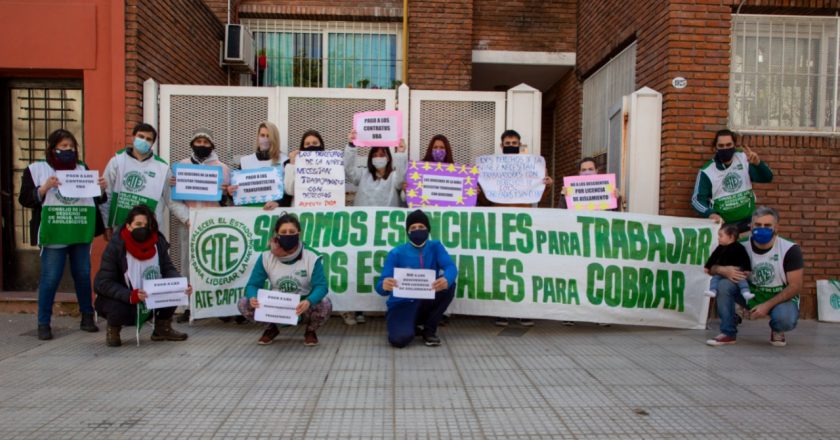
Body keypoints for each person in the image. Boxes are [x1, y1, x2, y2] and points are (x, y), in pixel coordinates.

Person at [19, 128, 107, 340]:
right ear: (52, 149)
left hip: (78, 230)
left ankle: (87, 316)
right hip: (54, 232)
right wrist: (44, 188)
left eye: (71, 147)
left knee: (83, 275)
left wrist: (101, 189)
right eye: (63, 147)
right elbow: (24, 199)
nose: (68, 150)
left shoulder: (82, 168)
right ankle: (43, 323)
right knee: (50, 278)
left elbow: (95, 199)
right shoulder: (36, 169)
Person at [93, 205, 192, 347]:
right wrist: (129, 295)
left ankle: (162, 328)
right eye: (138, 224)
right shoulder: (116, 246)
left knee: (175, 290)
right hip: (126, 296)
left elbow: (167, 268)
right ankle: (113, 329)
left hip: (150, 295)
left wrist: (181, 284)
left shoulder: (158, 242)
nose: (142, 228)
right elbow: (102, 283)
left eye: (146, 225)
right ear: (128, 226)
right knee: (116, 306)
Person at [706, 206, 803, 347]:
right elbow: (710, 268)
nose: (762, 228)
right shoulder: (739, 246)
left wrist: (766, 306)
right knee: (723, 284)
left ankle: (777, 329)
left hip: (779, 296)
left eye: (767, 225)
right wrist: (723, 269)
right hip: (750, 293)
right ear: (751, 227)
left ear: (776, 228)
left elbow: (796, 286)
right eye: (758, 225)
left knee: (785, 319)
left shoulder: (790, 249)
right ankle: (728, 333)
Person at [484, 130, 553, 327]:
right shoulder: (493, 168)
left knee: (524, 267)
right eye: (507, 143)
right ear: (501, 146)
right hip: (500, 223)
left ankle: (523, 311)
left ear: (520, 145)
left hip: (523, 222)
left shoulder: (530, 168)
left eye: (514, 143)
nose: (511, 146)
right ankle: (501, 311)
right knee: (501, 268)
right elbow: (484, 200)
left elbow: (539, 196)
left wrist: (546, 185)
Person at [342, 130, 408, 325]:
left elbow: (402, 176)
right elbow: (347, 169)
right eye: (376, 154)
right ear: (371, 158)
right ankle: (358, 308)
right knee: (360, 266)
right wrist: (351, 146)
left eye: (383, 154)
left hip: (387, 230)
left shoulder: (394, 177)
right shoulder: (362, 175)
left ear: (389, 157)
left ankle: (387, 306)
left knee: (384, 267)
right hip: (363, 230)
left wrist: (401, 152)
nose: (379, 157)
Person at [169, 128, 234, 324]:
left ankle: (220, 306)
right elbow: (172, 199)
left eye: (206, 143)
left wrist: (226, 193)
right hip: (189, 223)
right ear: (191, 144)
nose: (202, 146)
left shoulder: (222, 168)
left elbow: (230, 200)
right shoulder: (180, 167)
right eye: (198, 142)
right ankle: (189, 307)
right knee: (188, 265)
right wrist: (187, 218)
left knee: (217, 265)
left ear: (212, 145)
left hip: (214, 225)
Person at [237, 213, 332, 346]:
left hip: (302, 305)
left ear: (299, 233)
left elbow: (321, 286)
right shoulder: (266, 256)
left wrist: (309, 301)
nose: (288, 235)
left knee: (325, 303)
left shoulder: (311, 256)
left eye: (292, 232)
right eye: (283, 232)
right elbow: (253, 284)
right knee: (244, 302)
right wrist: (252, 297)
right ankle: (270, 329)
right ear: (277, 233)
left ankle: (310, 331)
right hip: (276, 305)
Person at [376, 210, 457, 347]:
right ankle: (406, 323)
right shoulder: (396, 253)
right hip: (402, 304)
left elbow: (450, 267)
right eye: (413, 228)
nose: (417, 230)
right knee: (399, 341)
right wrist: (384, 285)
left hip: (425, 300)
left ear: (428, 229)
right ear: (407, 232)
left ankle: (429, 330)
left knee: (449, 286)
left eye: (421, 227)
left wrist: (447, 279)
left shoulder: (435, 247)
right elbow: (380, 286)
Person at [100, 123, 188, 240]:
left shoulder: (162, 168)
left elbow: (172, 201)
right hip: (121, 227)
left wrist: (189, 219)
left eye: (148, 139)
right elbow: (107, 195)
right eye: (141, 137)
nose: (144, 141)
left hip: (150, 229)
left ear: (152, 143)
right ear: (133, 137)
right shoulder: (117, 161)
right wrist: (106, 226)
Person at [691, 129, 773, 232]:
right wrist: (710, 213)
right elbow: (696, 200)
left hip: (748, 224)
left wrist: (758, 164)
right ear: (715, 148)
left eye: (728, 145)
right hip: (723, 229)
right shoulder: (707, 171)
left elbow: (767, 178)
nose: (725, 148)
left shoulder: (744, 158)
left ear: (734, 145)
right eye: (721, 146)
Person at [229, 121, 288, 209]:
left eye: (268, 136)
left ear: (274, 139)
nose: (265, 139)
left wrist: (279, 203)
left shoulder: (284, 161)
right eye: (262, 135)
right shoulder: (246, 161)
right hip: (250, 213)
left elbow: (289, 192)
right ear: (258, 137)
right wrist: (230, 192)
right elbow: (237, 192)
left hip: (274, 212)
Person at [704, 224, 754, 301]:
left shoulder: (739, 247)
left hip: (737, 271)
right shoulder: (719, 247)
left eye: (721, 236)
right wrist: (707, 267)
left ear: (731, 237)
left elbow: (745, 258)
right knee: (714, 280)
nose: (718, 238)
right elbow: (712, 258)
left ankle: (745, 292)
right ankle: (713, 291)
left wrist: (747, 269)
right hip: (721, 273)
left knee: (742, 280)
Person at [282, 130, 327, 206]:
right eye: (307, 144)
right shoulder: (292, 163)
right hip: (301, 209)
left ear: (321, 145)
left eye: (315, 143)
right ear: (302, 147)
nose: (311, 146)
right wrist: (292, 164)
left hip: (324, 209)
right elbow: (289, 190)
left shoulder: (331, 163)